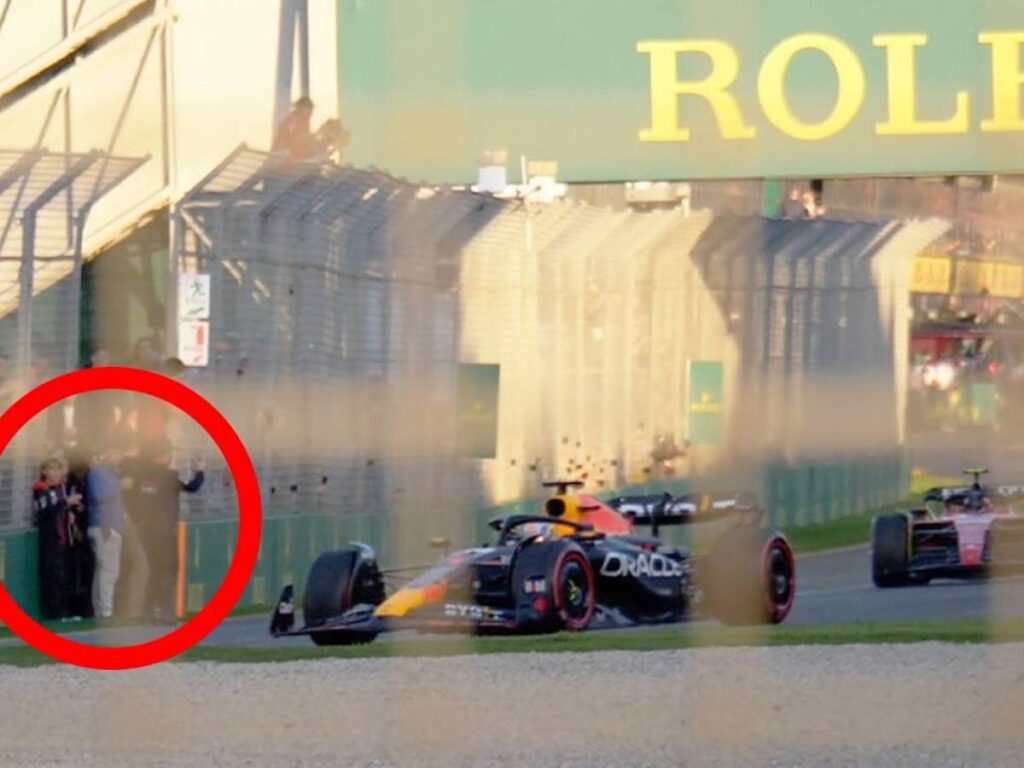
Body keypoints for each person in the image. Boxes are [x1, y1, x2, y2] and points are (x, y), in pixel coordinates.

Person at [134, 437, 204, 623]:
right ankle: (163, 610)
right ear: (164, 455)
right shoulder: (168, 476)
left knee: (155, 570)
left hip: (146, 530)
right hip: (164, 530)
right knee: (169, 569)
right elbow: (192, 487)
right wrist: (200, 471)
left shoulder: (142, 476)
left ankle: (148, 611)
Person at [32, 458, 82, 621]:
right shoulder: (41, 489)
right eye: (51, 470)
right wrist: (66, 503)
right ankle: (54, 613)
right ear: (45, 472)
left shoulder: (60, 489)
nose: (54, 474)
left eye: (57, 470)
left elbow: (61, 510)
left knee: (65, 575)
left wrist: (70, 515)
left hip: (63, 538)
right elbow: (45, 511)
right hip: (50, 539)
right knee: (53, 576)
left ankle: (64, 611)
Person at [85, 440, 130, 619]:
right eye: (116, 452)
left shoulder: (110, 473)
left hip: (109, 527)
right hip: (104, 528)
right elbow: (99, 496)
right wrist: (120, 486)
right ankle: (105, 611)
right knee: (109, 571)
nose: (119, 457)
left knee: (103, 570)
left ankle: (101, 610)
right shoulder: (99, 473)